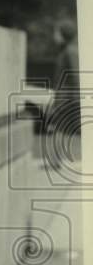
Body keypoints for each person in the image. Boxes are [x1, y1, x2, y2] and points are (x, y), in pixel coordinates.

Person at [46, 19, 81, 170]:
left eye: (57, 32)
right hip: (63, 96)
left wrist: (68, 99)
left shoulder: (70, 52)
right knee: (58, 129)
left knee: (58, 128)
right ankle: (56, 161)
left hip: (66, 97)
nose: (55, 36)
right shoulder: (65, 51)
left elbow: (75, 76)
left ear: (63, 34)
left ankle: (55, 161)